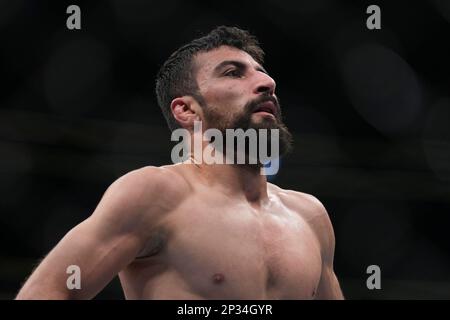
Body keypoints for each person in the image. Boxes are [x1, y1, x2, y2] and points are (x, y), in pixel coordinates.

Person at [16, 26, 344, 300]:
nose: (266, 83)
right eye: (233, 73)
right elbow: (47, 291)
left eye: (262, 73)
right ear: (187, 110)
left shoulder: (309, 215)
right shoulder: (155, 194)